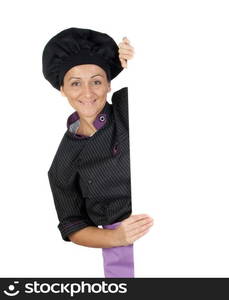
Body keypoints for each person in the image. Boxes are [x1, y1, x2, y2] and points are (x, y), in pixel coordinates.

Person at [42, 27, 153, 277]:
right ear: (62, 89)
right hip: (122, 258)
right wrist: (116, 238)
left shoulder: (131, 108)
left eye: (96, 81)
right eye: (75, 83)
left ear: (109, 84)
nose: (88, 93)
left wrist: (143, 57)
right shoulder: (63, 161)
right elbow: (73, 225)